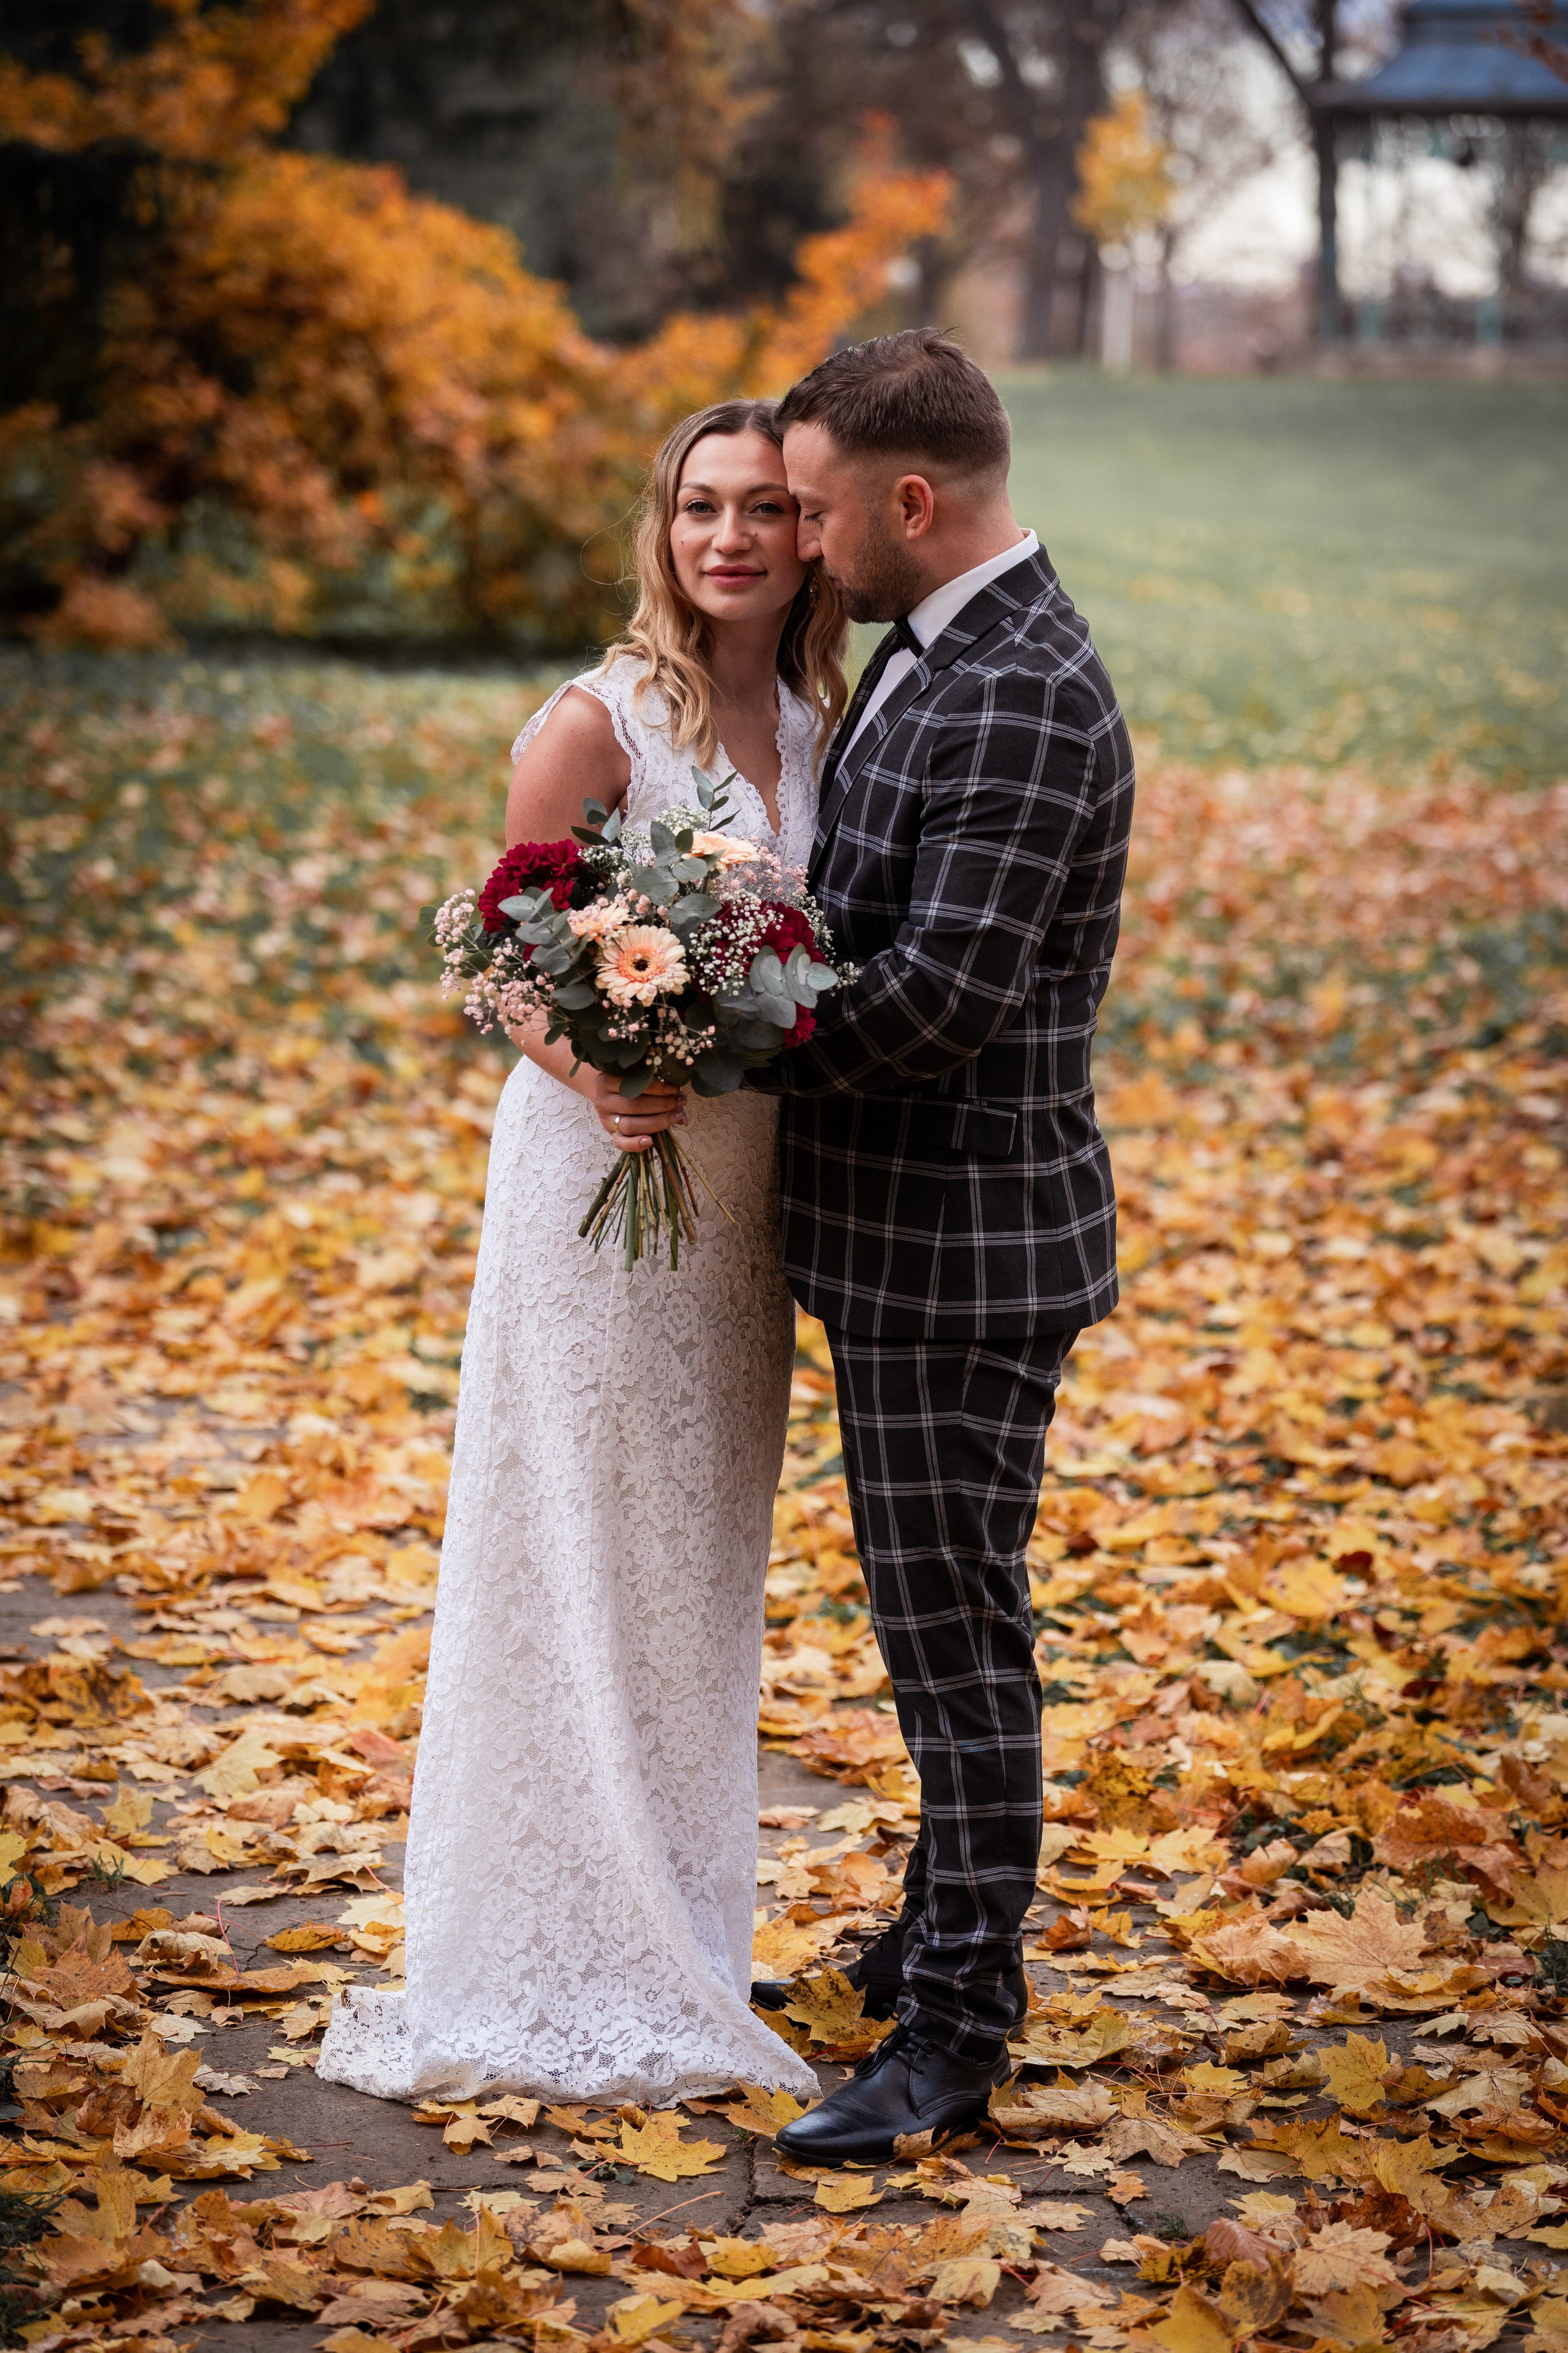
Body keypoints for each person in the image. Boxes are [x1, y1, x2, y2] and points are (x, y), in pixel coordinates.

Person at [317, 399, 846, 2104]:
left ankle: (678, 1924)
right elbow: (489, 949)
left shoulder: (830, 718)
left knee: (694, 1554)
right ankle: (540, 1935)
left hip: (744, 1203)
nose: (732, 539)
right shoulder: (599, 718)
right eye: (702, 507)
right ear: (664, 524)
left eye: (766, 508)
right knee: (574, 1545)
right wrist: (597, 1064)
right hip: (599, 1183)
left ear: (809, 532)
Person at [756, 329, 1135, 2162]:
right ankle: (924, 1938)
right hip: (910, 1240)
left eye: (820, 509)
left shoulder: (1020, 691)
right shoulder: (943, 647)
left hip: (964, 1254)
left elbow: (933, 1007)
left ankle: (957, 2033)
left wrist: (703, 1012)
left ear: (912, 500)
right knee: (937, 1623)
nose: (808, 542)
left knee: (956, 1646)